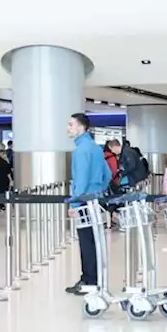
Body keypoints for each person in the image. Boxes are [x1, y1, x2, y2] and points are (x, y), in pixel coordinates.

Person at [65, 113, 111, 296]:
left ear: (81, 127)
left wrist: (75, 204)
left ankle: (89, 280)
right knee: (94, 240)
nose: (68, 128)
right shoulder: (95, 148)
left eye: (70, 125)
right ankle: (94, 277)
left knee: (86, 241)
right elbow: (107, 175)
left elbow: (81, 180)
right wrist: (98, 190)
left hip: (84, 202)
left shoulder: (81, 150)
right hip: (95, 199)